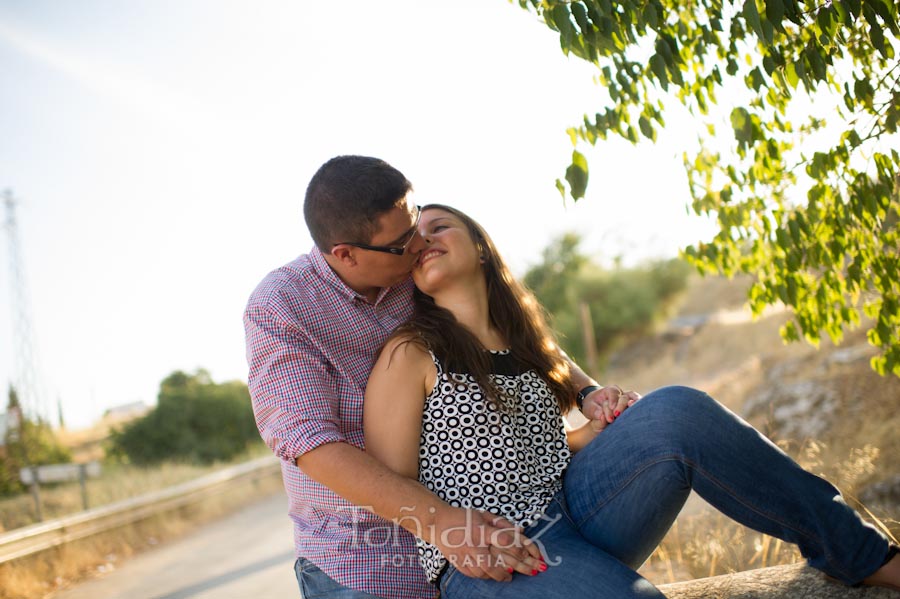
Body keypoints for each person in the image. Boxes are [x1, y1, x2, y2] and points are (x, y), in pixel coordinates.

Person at [363, 204, 900, 598]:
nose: (425, 239)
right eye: (415, 241)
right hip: (499, 553)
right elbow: (391, 489)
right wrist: (455, 537)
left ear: (479, 245)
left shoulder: (524, 345)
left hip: (579, 506)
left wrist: (598, 426)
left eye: (440, 226)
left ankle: (861, 554)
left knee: (675, 409)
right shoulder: (411, 353)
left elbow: (530, 453)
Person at [245, 156, 602, 599]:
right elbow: (310, 444)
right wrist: (440, 522)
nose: (418, 244)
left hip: (484, 533)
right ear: (346, 254)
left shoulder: (411, 268)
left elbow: (508, 339)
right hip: (366, 562)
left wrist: (587, 391)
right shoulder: (281, 306)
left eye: (415, 223)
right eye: (402, 242)